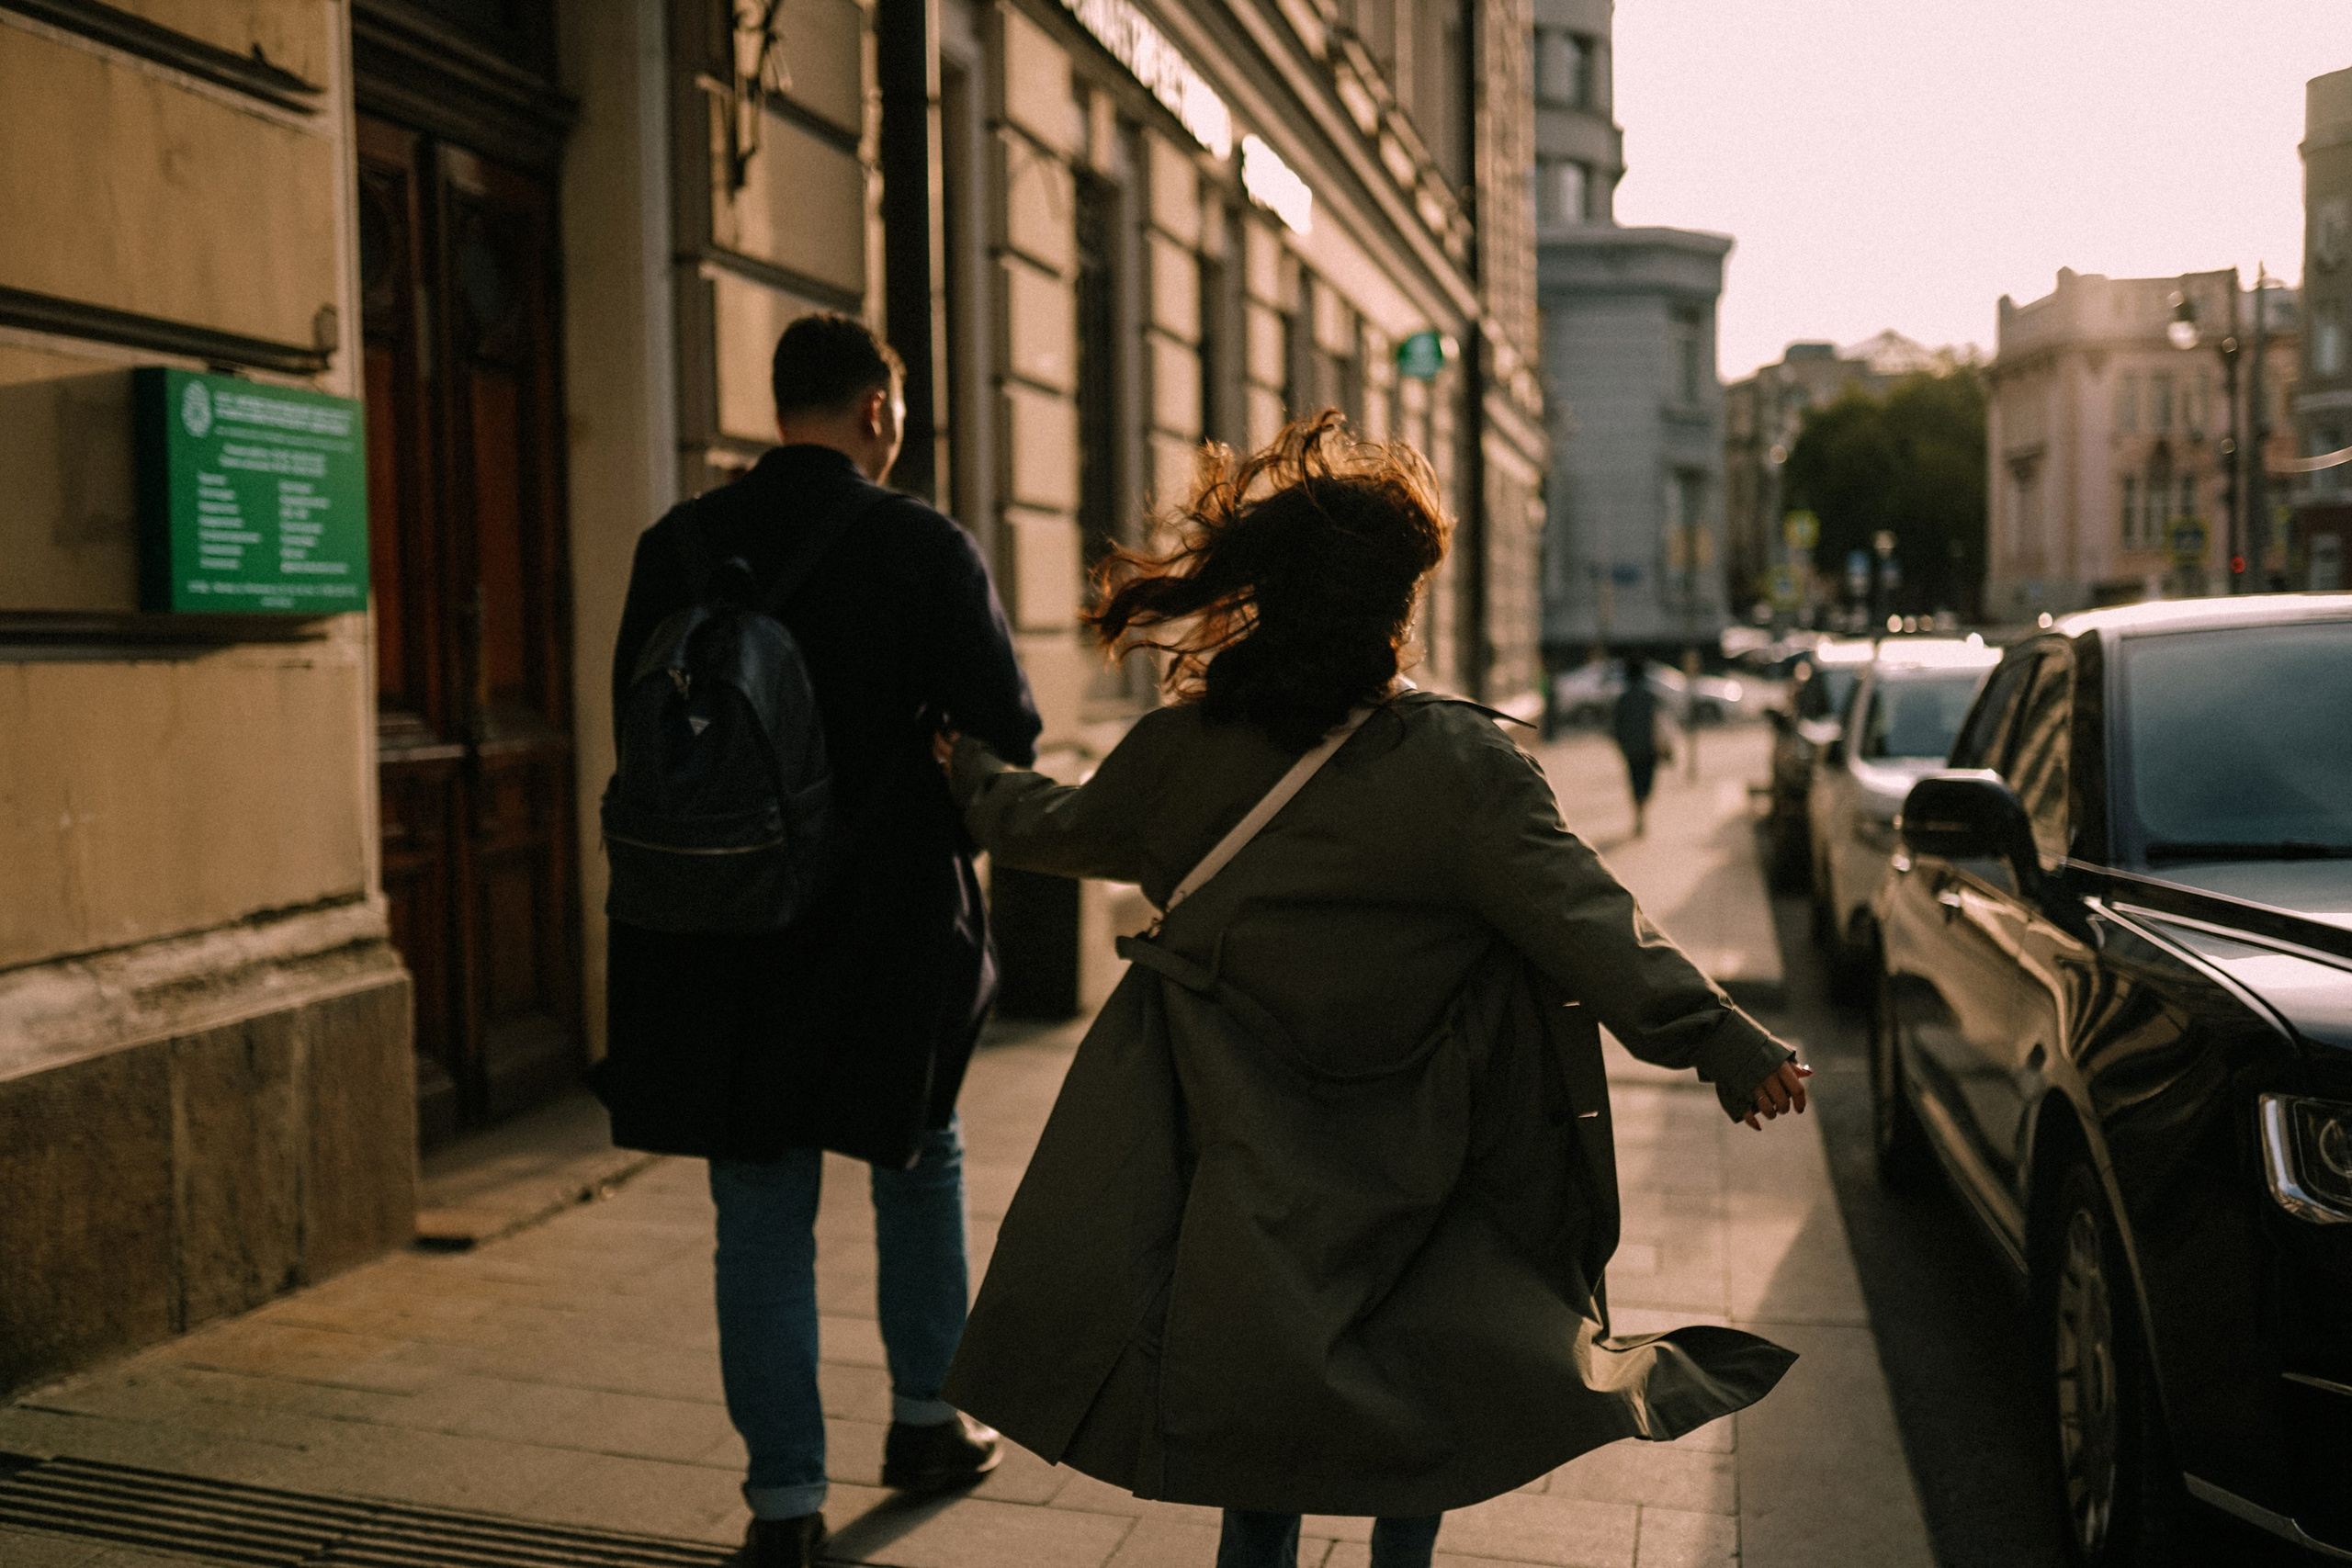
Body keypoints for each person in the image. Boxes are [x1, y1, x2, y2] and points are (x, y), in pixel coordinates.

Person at [932, 412, 1809, 1568]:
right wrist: (1723, 1042)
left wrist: (970, 772)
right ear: (1394, 608)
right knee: (1427, 1387)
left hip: (1246, 1148)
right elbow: (1591, 921)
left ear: (1272, 596)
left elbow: (1045, 827)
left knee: (1261, 1413)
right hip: (1429, 1149)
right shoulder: (1461, 769)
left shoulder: (1183, 754)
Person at [594, 313, 1042, 1568]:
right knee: (920, 1155)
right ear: (880, 413)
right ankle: (923, 1418)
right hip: (889, 924)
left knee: (758, 1208)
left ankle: (785, 1502)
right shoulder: (922, 545)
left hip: (718, 929)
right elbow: (1008, 719)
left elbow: (642, 723)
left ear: (780, 400)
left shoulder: (674, 543)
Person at [1611, 650, 1670, 837]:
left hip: (1631, 749)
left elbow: (1615, 726)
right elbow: (1660, 722)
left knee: (1635, 781)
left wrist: (1621, 745)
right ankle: (1642, 815)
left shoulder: (1623, 698)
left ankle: (1639, 816)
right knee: (1647, 782)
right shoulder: (1650, 696)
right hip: (1649, 748)